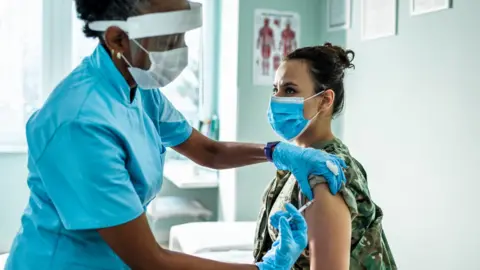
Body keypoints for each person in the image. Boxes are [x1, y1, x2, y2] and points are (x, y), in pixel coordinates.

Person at [5, 1, 348, 269]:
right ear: (117, 38)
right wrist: (262, 269)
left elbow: (209, 152)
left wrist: (278, 152)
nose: (181, 49)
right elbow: (150, 260)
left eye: (182, 36)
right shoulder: (79, 123)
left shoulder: (137, 83)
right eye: (169, 40)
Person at [253, 43, 397, 269]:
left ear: (324, 100)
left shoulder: (326, 174)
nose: (276, 99)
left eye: (289, 90)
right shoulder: (297, 161)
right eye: (275, 89)